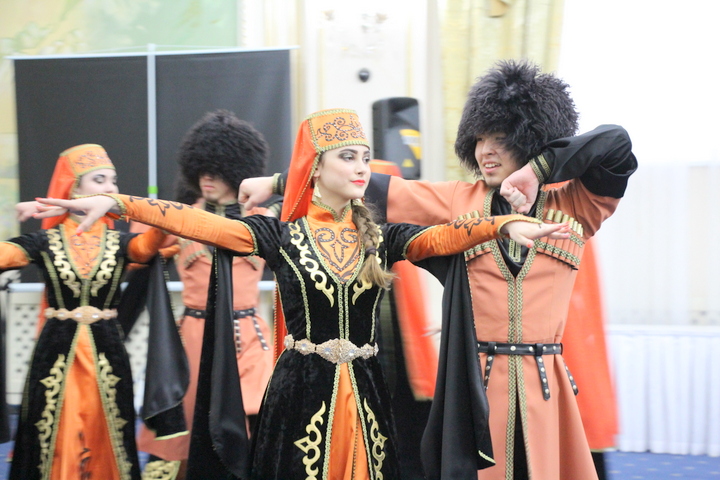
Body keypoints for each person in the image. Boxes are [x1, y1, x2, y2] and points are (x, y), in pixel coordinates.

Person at [35, 108, 569, 479]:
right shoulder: (279, 234)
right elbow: (198, 223)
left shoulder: (379, 237)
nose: (361, 167)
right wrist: (122, 204)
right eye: (347, 157)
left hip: (365, 390)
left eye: (365, 157)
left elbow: (441, 238)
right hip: (299, 392)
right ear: (315, 166)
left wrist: (501, 225)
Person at [240, 61, 638, 480]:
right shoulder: (457, 200)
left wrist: (538, 170)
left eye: (500, 138)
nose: (485, 151)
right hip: (476, 389)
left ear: (531, 138)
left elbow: (616, 143)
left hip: (546, 391)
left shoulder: (578, 204)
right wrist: (279, 182)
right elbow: (371, 185)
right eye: (478, 139)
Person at [5, 144, 169, 480]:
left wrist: (139, 210)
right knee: (55, 425)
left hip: (107, 351)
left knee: (105, 423)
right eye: (99, 180)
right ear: (74, 188)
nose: (110, 187)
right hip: (56, 351)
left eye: (113, 180)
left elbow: (152, 240)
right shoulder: (45, 241)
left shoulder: (120, 243)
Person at [135, 110, 274, 480]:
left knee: (251, 427)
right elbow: (137, 251)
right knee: (188, 435)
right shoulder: (178, 216)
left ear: (238, 169)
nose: (206, 177)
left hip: (248, 339)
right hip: (194, 342)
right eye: (202, 169)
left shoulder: (264, 219)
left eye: (217, 169)